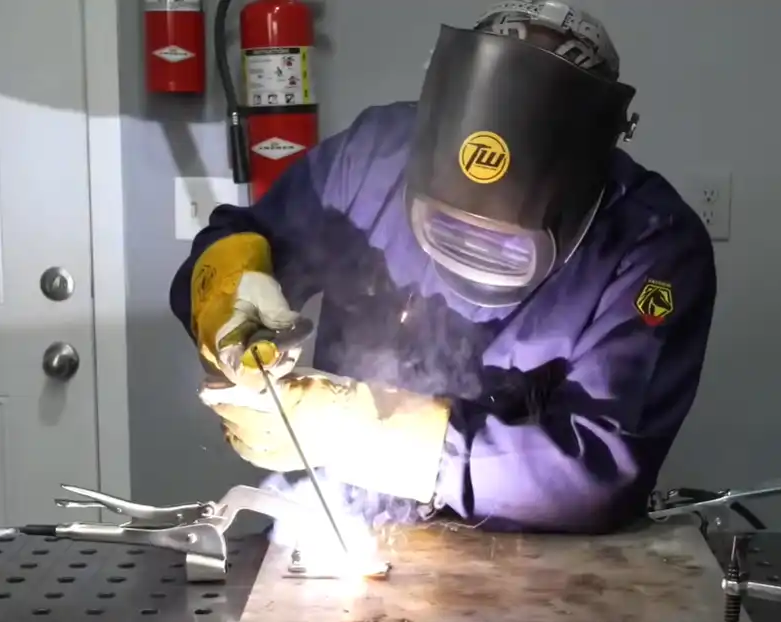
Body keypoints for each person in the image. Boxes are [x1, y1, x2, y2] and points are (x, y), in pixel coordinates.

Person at [170, 1, 717, 533]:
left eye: (502, 236)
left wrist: (371, 432)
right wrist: (231, 301)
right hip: (344, 519)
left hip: (533, 558)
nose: (475, 244)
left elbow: (599, 465)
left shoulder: (653, 245)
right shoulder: (374, 155)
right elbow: (249, 236)